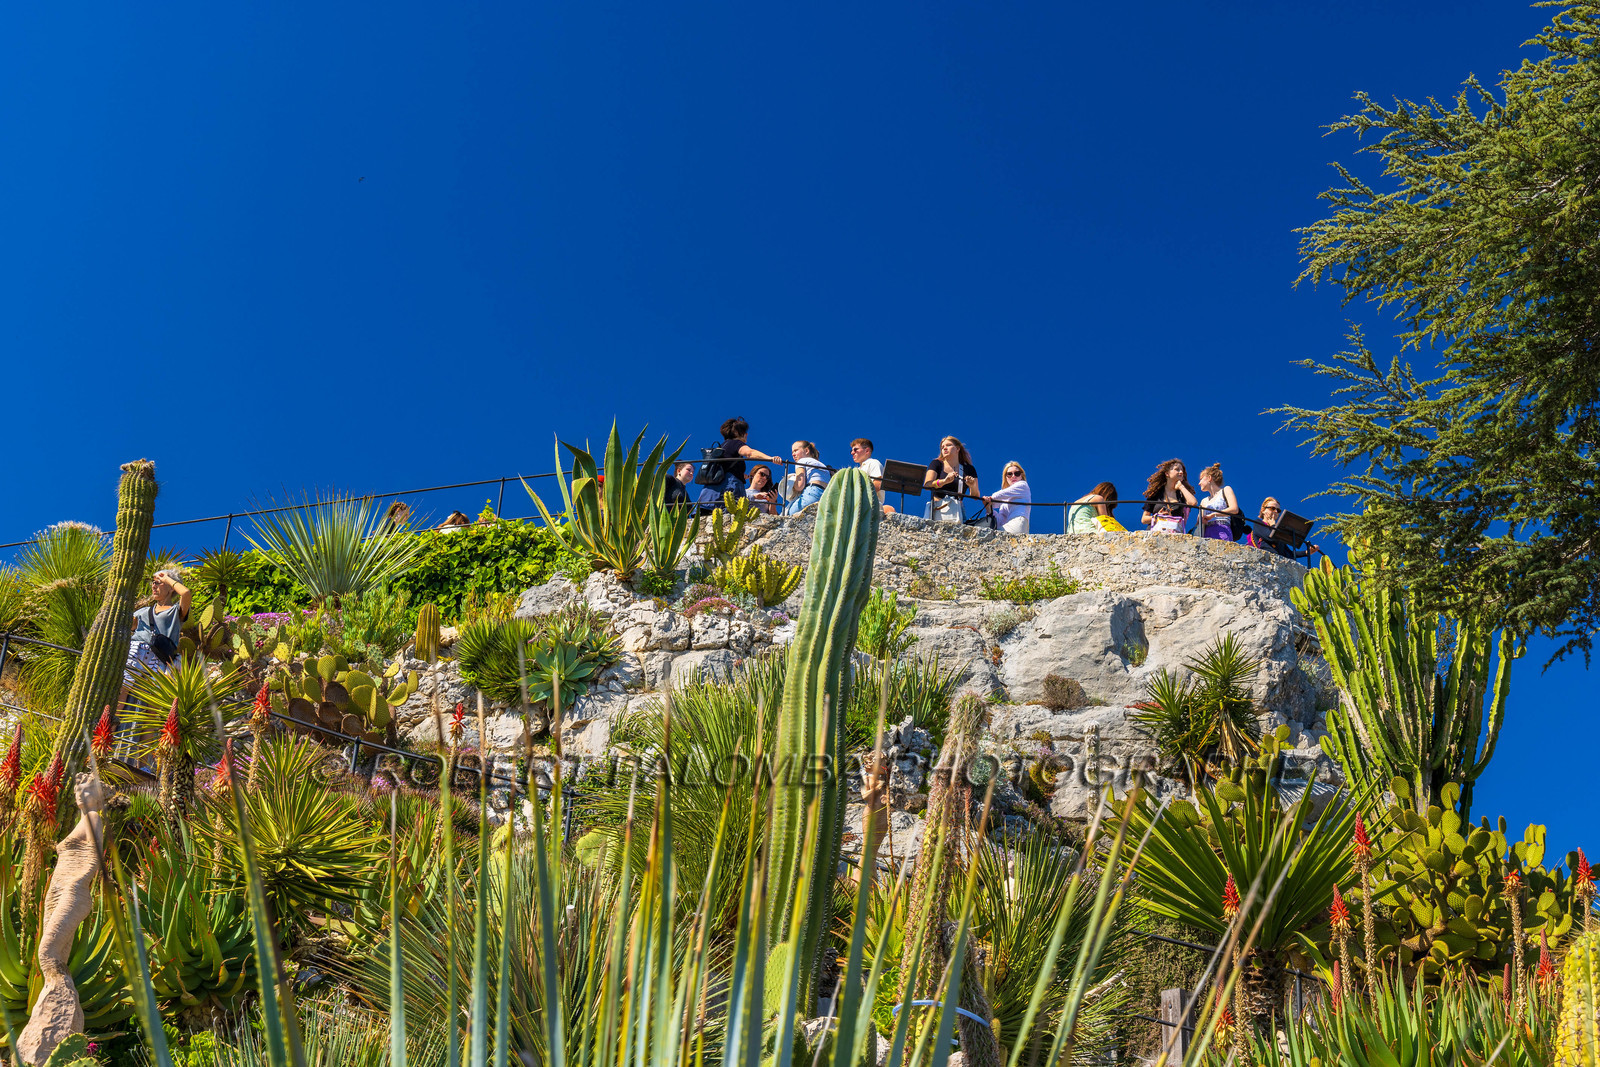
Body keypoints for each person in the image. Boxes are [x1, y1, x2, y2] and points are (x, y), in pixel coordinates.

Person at [122, 568, 191, 697]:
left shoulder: (176, 611)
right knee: (122, 691)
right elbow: (128, 625)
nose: (154, 585)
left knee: (151, 700)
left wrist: (167, 578)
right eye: (153, 582)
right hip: (135, 651)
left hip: (158, 656)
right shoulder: (144, 611)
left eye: (158, 582)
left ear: (171, 588)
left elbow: (186, 593)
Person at [697, 417, 785, 513]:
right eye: (744, 432)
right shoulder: (736, 443)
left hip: (709, 495)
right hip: (727, 491)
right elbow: (749, 453)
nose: (746, 435)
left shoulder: (722, 447)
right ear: (736, 433)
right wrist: (770, 458)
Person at [1244, 497, 1321, 561]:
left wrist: (1306, 552)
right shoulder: (1258, 523)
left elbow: (1287, 553)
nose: (1275, 511)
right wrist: (1273, 525)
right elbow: (1271, 538)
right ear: (1263, 510)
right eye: (1272, 508)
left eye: (1278, 510)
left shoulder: (1277, 530)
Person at [924, 436, 978, 522]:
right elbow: (927, 484)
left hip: (957, 512)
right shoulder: (936, 463)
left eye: (948, 445)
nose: (944, 448)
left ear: (957, 448)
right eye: (942, 447)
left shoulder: (969, 469)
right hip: (937, 510)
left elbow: (975, 496)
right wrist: (944, 481)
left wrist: (972, 485)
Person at [1141, 459, 1197, 534]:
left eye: (1182, 470)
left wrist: (1181, 487)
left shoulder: (1182, 494)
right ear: (1167, 473)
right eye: (1177, 470)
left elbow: (1193, 503)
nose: (1181, 472)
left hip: (1175, 535)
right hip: (1156, 534)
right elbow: (1144, 519)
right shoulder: (1156, 494)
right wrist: (1158, 517)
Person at [783, 441, 831, 515]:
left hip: (812, 493)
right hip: (826, 496)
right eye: (792, 452)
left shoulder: (801, 461)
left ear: (806, 451)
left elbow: (799, 485)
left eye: (796, 450)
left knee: (788, 514)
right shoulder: (822, 465)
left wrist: (793, 488)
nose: (793, 454)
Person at [1196, 463, 1242, 541]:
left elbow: (1234, 509)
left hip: (1223, 531)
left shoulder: (1226, 490)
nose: (1199, 483)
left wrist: (1214, 514)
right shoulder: (1204, 501)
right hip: (1206, 533)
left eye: (1201, 479)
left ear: (1209, 478)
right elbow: (1198, 522)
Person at [983, 461, 1032, 534]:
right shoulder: (1005, 500)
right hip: (1009, 524)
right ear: (1006, 477)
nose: (1013, 476)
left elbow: (998, 496)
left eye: (1017, 473)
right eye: (1009, 474)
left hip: (1018, 522)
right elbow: (1001, 521)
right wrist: (988, 508)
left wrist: (990, 499)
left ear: (1021, 476)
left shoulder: (1023, 485)